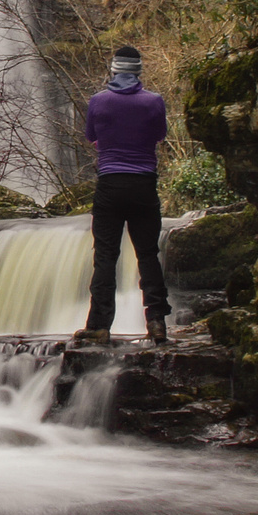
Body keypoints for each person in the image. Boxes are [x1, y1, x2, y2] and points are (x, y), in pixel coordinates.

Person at [72, 45, 170, 347]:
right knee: (148, 254)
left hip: (110, 186)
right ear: (138, 71)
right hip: (143, 186)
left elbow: (91, 137)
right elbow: (159, 135)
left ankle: (99, 326)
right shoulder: (154, 102)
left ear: (113, 70)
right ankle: (156, 323)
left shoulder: (98, 102)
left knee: (105, 256)